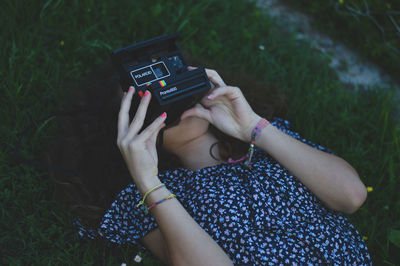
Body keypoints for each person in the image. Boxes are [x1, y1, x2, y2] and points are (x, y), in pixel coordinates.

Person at [50, 64, 372, 265]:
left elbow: (351, 194)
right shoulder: (146, 199)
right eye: (145, 102)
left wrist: (255, 128)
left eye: (170, 81)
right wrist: (148, 182)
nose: (167, 98)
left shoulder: (266, 141)